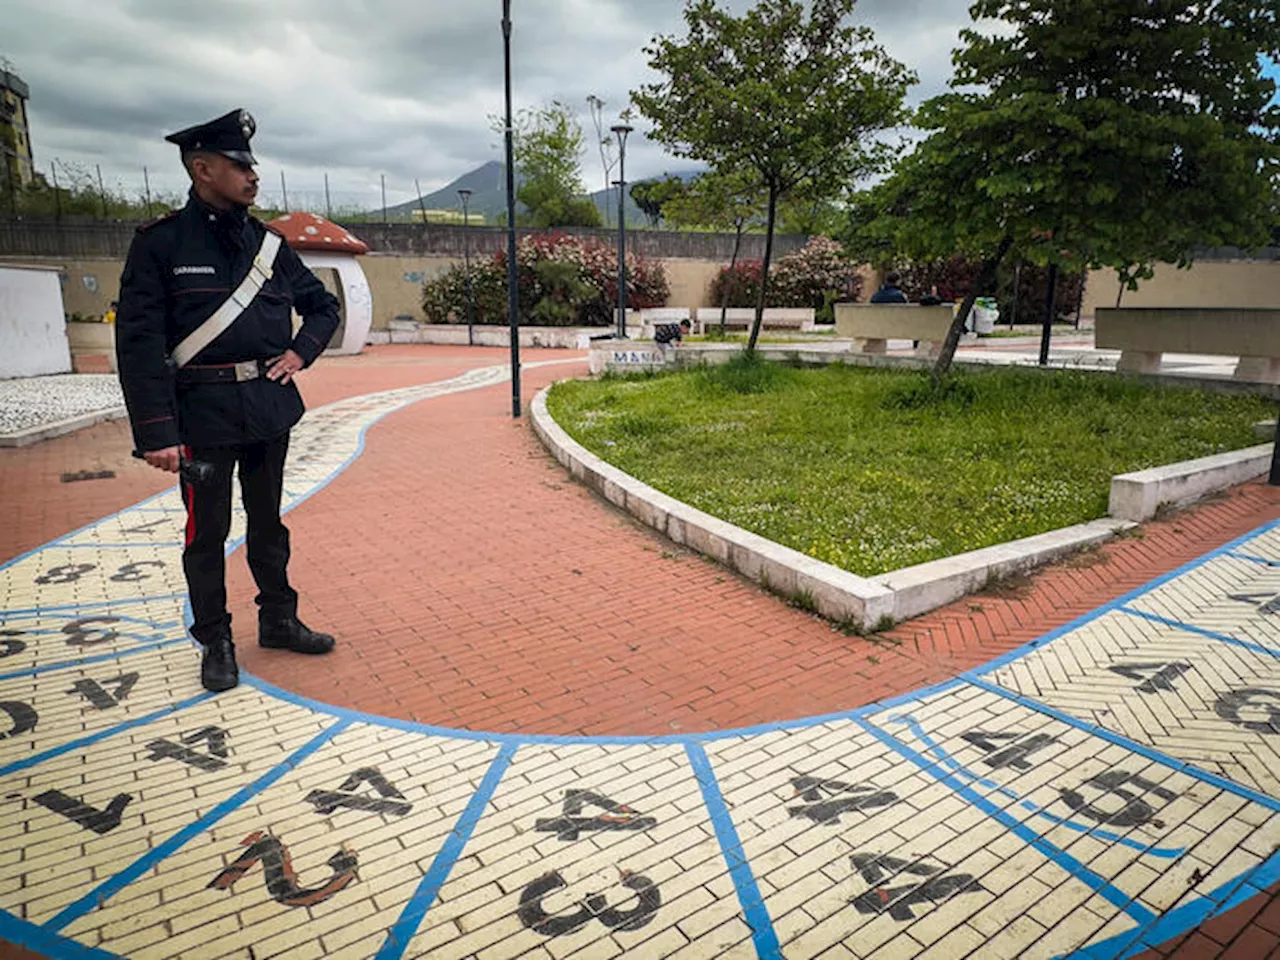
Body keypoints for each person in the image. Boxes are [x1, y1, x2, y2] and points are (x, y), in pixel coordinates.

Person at [115, 108, 341, 693]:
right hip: (201, 416)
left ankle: (279, 619)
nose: (252, 175)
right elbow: (139, 344)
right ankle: (215, 636)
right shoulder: (160, 245)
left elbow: (322, 308)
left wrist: (299, 354)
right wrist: (158, 433)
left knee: (268, 524)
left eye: (251, 164)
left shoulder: (269, 245)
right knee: (206, 532)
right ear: (202, 168)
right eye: (239, 165)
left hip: (267, 410)